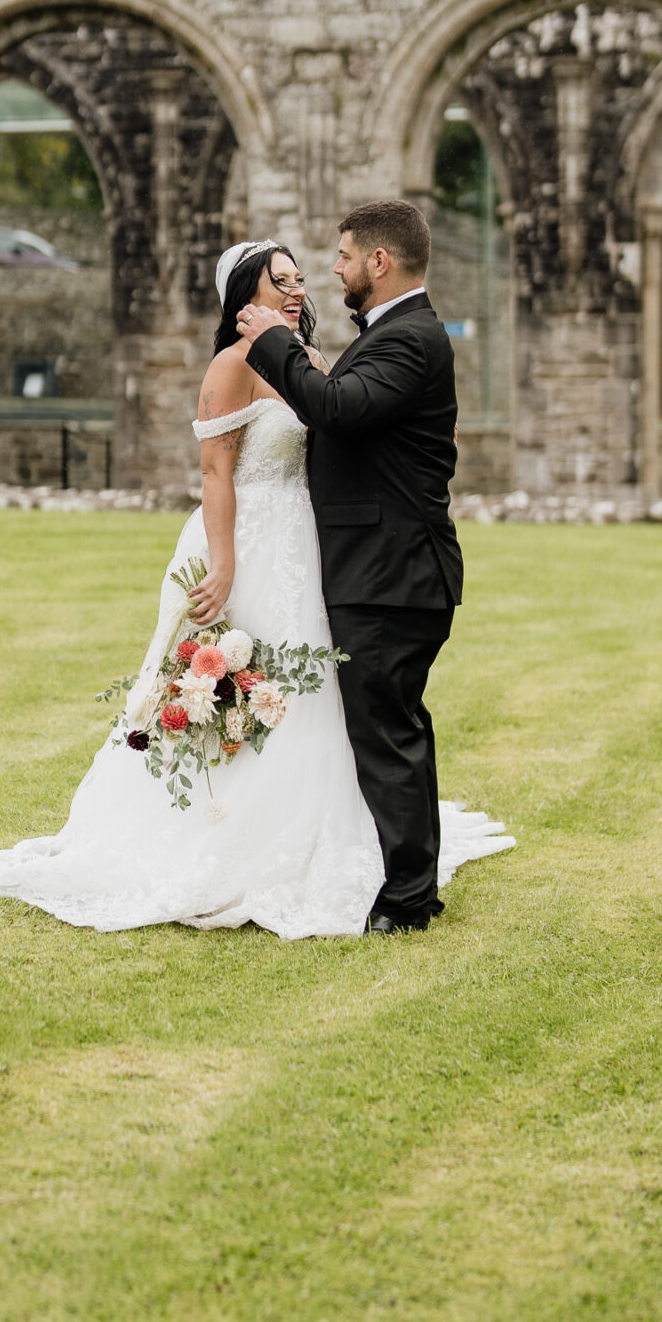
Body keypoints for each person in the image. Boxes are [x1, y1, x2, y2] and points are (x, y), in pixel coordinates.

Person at [0, 234, 510, 938]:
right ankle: (223, 837)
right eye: (275, 280)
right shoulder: (232, 362)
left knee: (320, 698)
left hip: (309, 548)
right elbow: (216, 472)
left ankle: (336, 841)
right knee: (253, 683)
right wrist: (221, 562)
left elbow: (342, 416)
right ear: (243, 297)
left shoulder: (310, 359)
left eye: (298, 278)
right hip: (247, 543)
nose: (294, 289)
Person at [236, 198, 474, 933]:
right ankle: (408, 882)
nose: (332, 270)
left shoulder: (411, 339)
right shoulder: (394, 335)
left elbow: (336, 410)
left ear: (380, 261)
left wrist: (273, 342)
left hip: (393, 574)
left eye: (342, 256)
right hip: (384, 571)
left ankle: (405, 903)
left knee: (388, 734)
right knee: (390, 729)